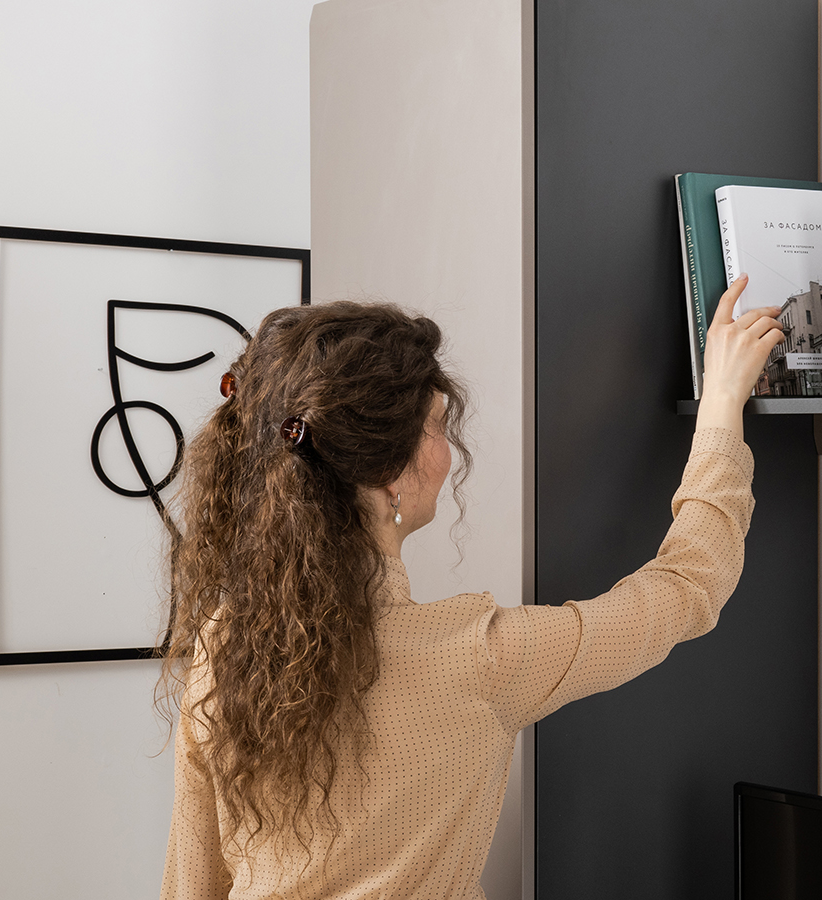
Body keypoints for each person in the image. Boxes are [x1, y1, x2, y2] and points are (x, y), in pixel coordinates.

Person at [158, 275, 780, 899]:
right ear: (389, 473)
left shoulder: (223, 645)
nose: (447, 453)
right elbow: (687, 586)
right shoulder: (476, 657)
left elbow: (191, 885)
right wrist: (722, 403)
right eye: (435, 426)